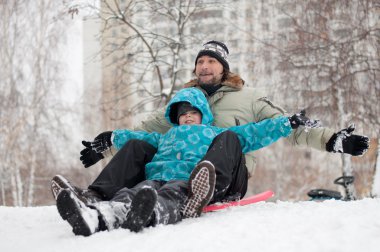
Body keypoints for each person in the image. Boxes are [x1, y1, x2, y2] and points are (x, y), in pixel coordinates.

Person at [51, 40, 369, 217]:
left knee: (230, 137)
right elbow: (146, 132)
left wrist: (332, 141)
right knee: (140, 147)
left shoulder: (250, 98)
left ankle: (196, 190)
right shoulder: (183, 104)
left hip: (225, 175)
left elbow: (288, 127)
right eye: (200, 62)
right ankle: (94, 197)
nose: (204, 66)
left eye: (211, 61)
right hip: (177, 170)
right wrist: (108, 142)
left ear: (223, 67)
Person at [56, 87, 309, 236]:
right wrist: (113, 136)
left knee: (171, 192)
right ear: (176, 119)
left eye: (193, 113)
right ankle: (96, 215)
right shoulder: (166, 135)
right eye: (183, 115)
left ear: (203, 116)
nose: (187, 118)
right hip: (156, 177)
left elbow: (255, 133)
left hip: (192, 180)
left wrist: (286, 123)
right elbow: (137, 137)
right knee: (133, 192)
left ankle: (159, 210)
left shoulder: (215, 134)